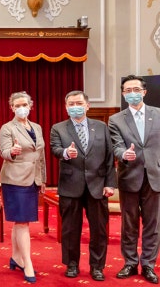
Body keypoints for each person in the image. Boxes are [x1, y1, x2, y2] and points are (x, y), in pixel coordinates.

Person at [50, 90, 115, 281]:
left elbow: (110, 157)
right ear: (66, 107)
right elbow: (54, 148)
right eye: (71, 104)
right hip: (71, 185)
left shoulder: (101, 126)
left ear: (87, 105)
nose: (75, 107)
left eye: (78, 103)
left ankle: (97, 266)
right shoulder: (59, 128)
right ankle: (71, 264)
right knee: (70, 229)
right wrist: (65, 153)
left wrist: (110, 183)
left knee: (99, 229)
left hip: (98, 185)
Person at [108, 75, 160, 284]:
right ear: (123, 94)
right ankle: (130, 262)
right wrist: (123, 154)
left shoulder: (158, 115)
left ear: (144, 92)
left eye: (135, 89)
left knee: (152, 224)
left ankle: (148, 264)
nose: (132, 93)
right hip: (130, 175)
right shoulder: (116, 119)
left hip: (155, 177)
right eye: (127, 90)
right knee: (128, 224)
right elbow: (116, 144)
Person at [0, 91, 46, 284]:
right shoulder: (7, 128)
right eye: (17, 105)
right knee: (22, 223)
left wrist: (42, 179)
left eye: (24, 104)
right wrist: (13, 151)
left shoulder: (37, 127)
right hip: (15, 179)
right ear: (12, 108)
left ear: (30, 106)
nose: (21, 108)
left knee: (20, 222)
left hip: (33, 179)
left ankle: (16, 257)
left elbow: (40, 155)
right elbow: (4, 151)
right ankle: (28, 263)